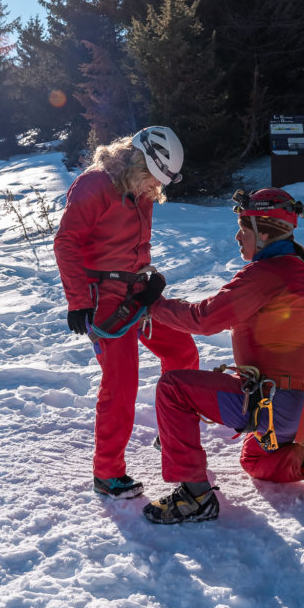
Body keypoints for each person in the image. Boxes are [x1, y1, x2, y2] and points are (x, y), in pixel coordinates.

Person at [141, 187, 304, 524]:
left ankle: (195, 497)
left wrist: (153, 305)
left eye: (243, 228)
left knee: (173, 388)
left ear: (263, 232)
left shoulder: (266, 273)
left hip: (277, 404)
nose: (238, 236)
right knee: (253, 460)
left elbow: (204, 319)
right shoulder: (300, 269)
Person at [54, 126, 200, 500]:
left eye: (159, 181)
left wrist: (147, 280)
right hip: (103, 299)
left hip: (137, 294)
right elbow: (66, 241)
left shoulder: (140, 187)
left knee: (182, 352)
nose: (155, 187)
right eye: (153, 177)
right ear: (138, 159)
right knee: (121, 383)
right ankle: (107, 473)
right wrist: (78, 302)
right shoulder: (94, 186)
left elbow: (132, 244)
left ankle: (172, 432)